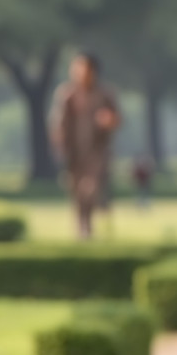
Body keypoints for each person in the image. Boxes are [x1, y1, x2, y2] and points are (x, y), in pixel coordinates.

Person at [50, 52, 121, 240]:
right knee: (77, 192)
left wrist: (109, 121)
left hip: (97, 152)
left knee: (90, 189)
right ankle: (83, 228)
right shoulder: (68, 95)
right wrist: (59, 144)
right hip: (74, 153)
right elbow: (58, 124)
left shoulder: (105, 94)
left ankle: (89, 224)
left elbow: (117, 119)